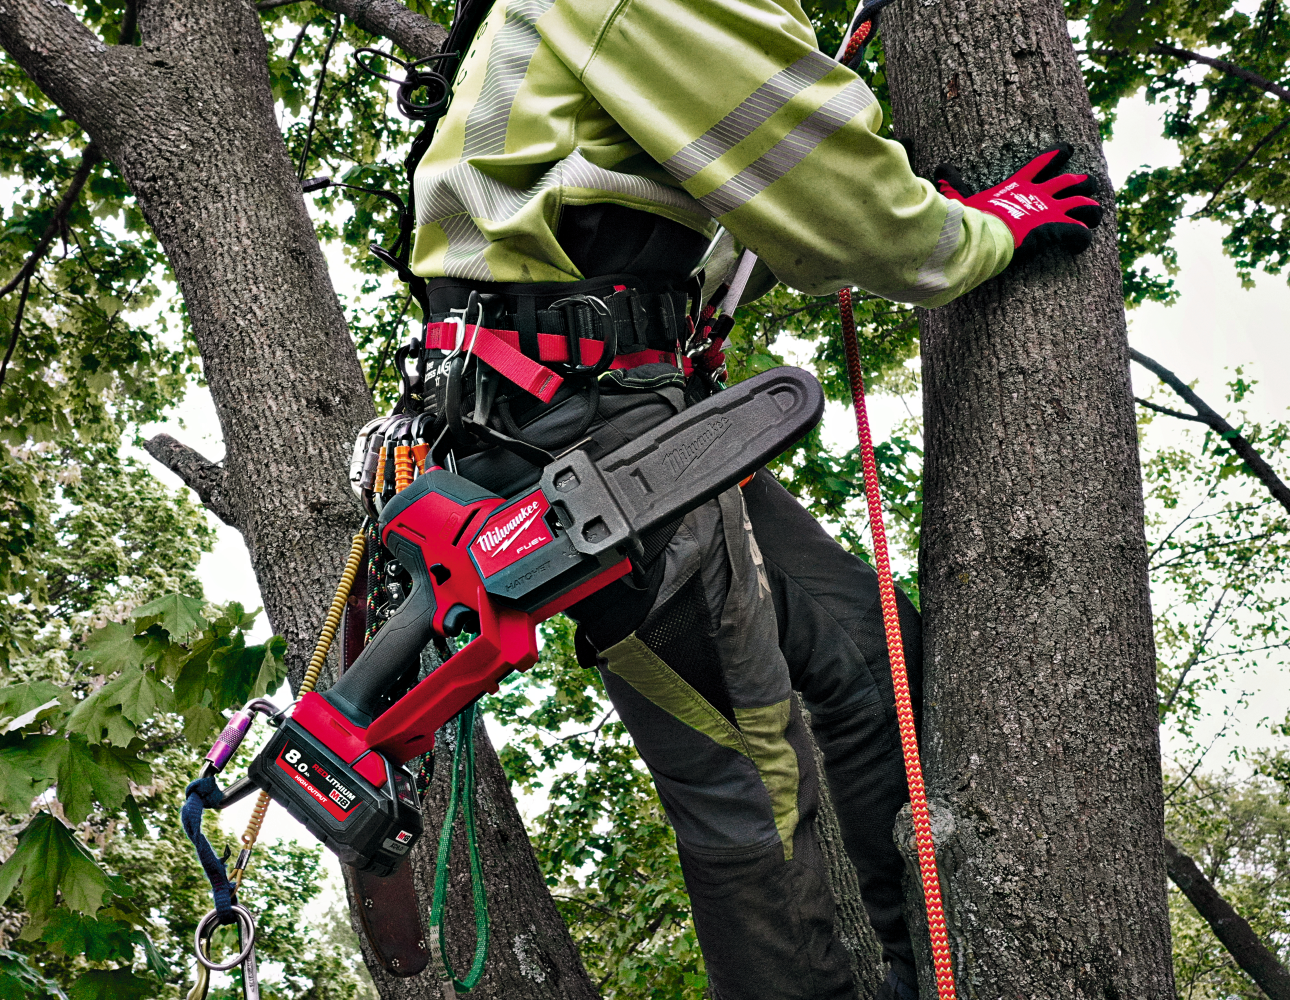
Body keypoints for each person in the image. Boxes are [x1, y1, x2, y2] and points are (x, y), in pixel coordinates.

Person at [403, 0, 1102, 996]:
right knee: (752, 787)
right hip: (580, 434)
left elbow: (696, 195)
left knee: (871, 652)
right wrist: (976, 231)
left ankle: (923, 967)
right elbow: (839, 207)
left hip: (611, 416)